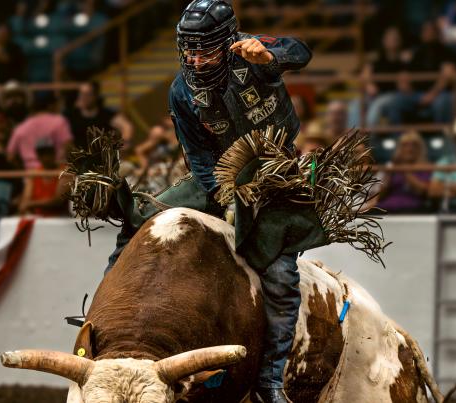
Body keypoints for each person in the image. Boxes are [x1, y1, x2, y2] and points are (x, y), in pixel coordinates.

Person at [106, 1, 312, 401]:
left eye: (206, 50)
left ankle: (271, 379)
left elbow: (300, 50)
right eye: (190, 51)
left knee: (282, 277)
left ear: (228, 41)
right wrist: (223, 193)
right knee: (137, 217)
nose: (197, 60)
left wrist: (269, 56)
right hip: (214, 178)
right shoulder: (181, 91)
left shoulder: (252, 54)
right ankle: (103, 317)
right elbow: (196, 154)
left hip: (274, 175)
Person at [7, 91, 73, 170]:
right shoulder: (59, 121)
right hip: (55, 172)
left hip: (31, 173)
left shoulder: (21, 127)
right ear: (51, 105)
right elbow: (69, 147)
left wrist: (22, 168)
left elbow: (10, 156)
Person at [64, 81, 134, 150]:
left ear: (95, 95)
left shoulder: (105, 114)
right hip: (80, 156)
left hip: (102, 157)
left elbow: (127, 126)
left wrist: (123, 143)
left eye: (87, 94)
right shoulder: (71, 115)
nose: (83, 97)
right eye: (81, 94)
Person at [378, 131, 431, 213]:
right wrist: (388, 174)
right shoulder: (394, 166)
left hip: (412, 208)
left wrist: (404, 170)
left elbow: (423, 191)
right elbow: (380, 196)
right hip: (387, 206)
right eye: (405, 145)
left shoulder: (426, 167)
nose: (409, 149)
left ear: (419, 148)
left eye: (414, 145)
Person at [19, 138, 70, 216]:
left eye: (48, 152)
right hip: (38, 218)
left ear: (54, 153)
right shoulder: (34, 174)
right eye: (42, 153)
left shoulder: (65, 171)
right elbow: (26, 199)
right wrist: (27, 205)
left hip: (60, 218)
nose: (46, 157)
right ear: (38, 155)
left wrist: (31, 204)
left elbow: (58, 201)